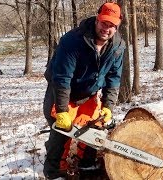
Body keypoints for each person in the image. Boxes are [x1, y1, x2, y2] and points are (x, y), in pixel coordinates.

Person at [42, 2, 125, 179]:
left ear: (117, 26)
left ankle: (86, 165)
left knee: (95, 131)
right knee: (61, 134)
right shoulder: (73, 41)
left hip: (89, 94)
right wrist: (63, 111)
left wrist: (108, 106)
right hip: (64, 93)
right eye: (104, 23)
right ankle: (54, 172)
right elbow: (62, 78)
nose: (106, 29)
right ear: (97, 19)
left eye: (111, 25)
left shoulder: (118, 47)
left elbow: (113, 79)